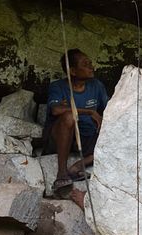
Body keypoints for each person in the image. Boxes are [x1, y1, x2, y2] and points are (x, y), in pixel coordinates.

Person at [44, 49, 108, 194]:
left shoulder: (96, 86)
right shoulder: (58, 86)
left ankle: (79, 165)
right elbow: (56, 110)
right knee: (68, 117)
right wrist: (90, 111)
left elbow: (111, 110)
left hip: (87, 137)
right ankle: (61, 174)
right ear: (72, 71)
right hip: (62, 137)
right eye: (85, 64)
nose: (91, 67)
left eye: (90, 63)